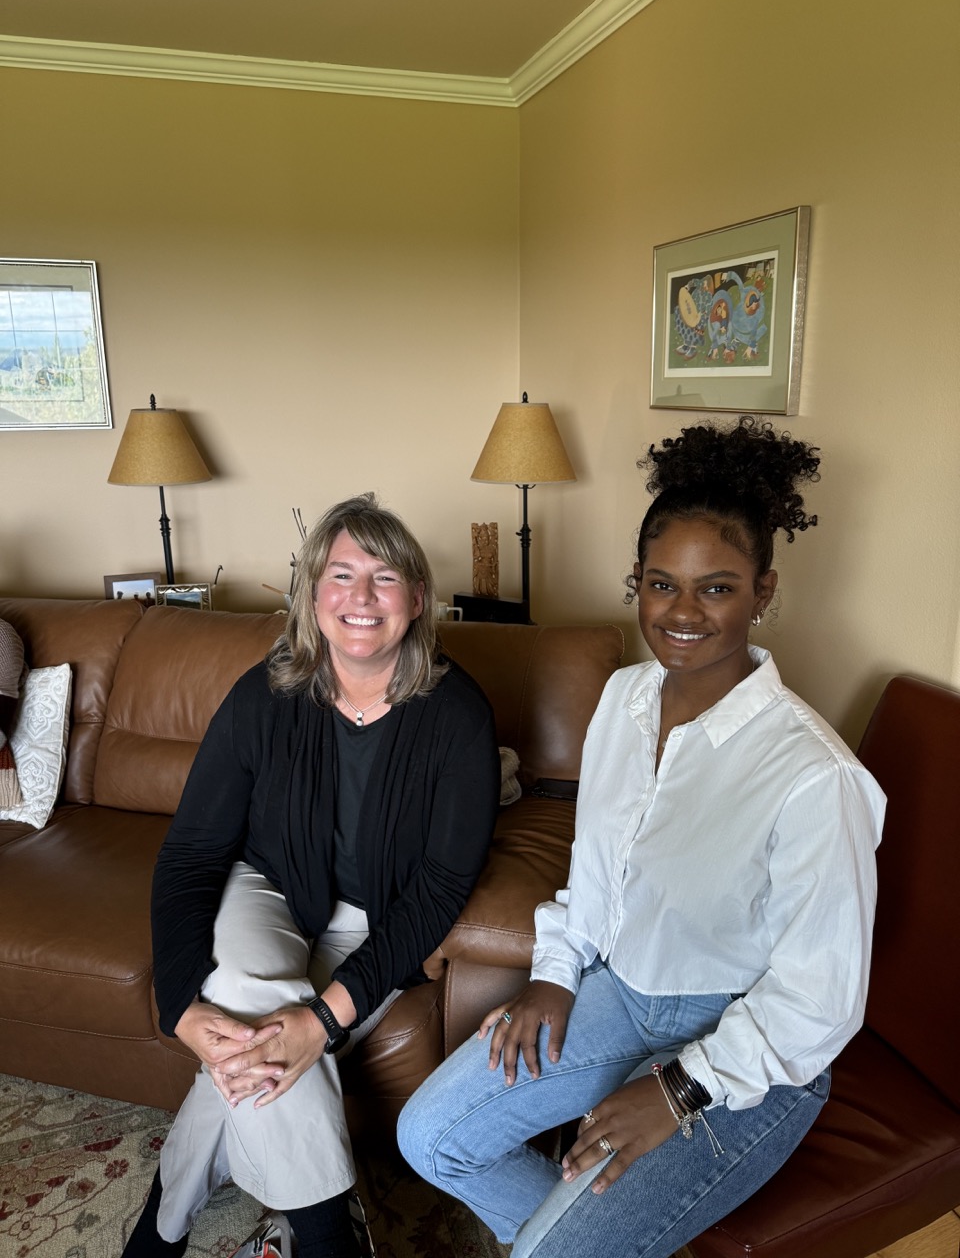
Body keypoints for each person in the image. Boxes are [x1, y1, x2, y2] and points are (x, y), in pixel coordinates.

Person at [397, 417, 886, 1258]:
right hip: (620, 997)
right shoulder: (622, 699)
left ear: (764, 591)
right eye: (662, 585)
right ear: (636, 583)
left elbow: (820, 1001)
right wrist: (553, 978)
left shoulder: (816, 778)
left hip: (752, 1056)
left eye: (718, 588)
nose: (683, 613)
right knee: (430, 1136)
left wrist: (680, 1092)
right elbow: (597, 867)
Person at [123, 492, 500, 1258]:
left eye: (385, 577)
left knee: (249, 1024)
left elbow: (436, 890)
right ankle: (331, 1235)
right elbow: (193, 851)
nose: (361, 598)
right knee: (246, 993)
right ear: (311, 595)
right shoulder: (264, 695)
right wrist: (179, 1009)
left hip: (379, 916)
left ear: (417, 598)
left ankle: (158, 1238)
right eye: (341, 575)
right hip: (267, 888)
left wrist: (321, 1021)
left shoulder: (457, 714)